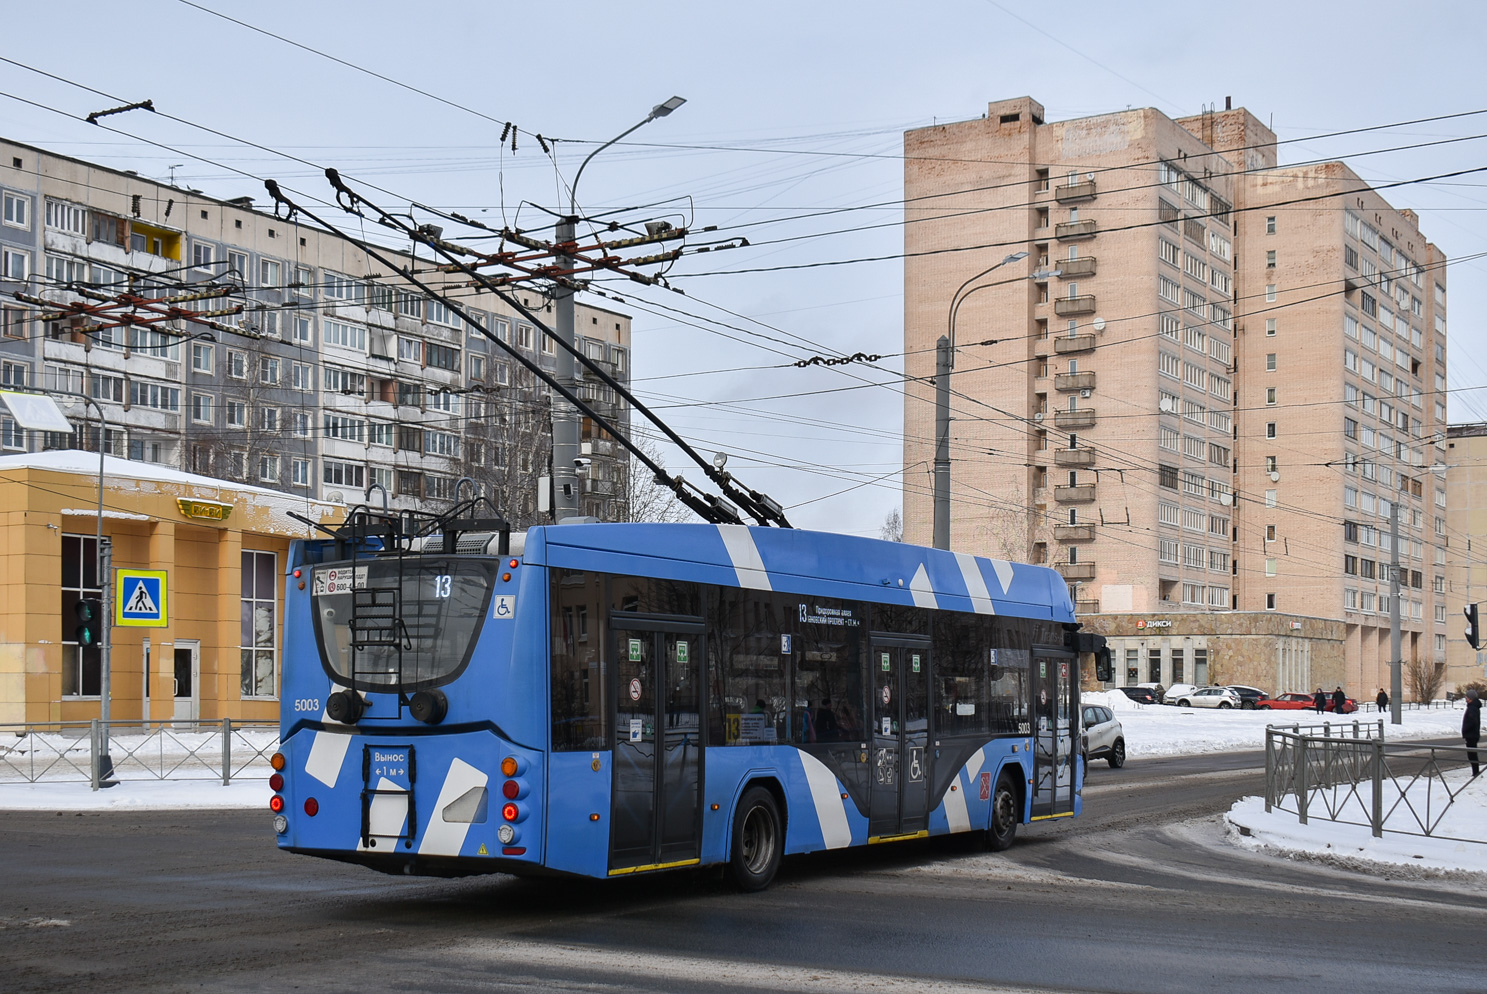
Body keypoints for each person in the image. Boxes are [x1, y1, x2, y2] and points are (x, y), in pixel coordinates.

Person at [1464, 688, 1482, 779]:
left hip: (1471, 735)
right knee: (1472, 753)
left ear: (1471, 698)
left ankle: (1475, 772)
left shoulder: (1472, 708)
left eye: (1467, 697)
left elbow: (1472, 721)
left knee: (1472, 754)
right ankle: (1475, 772)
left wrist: (1466, 729)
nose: (1466, 699)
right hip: (1472, 734)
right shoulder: (1473, 707)